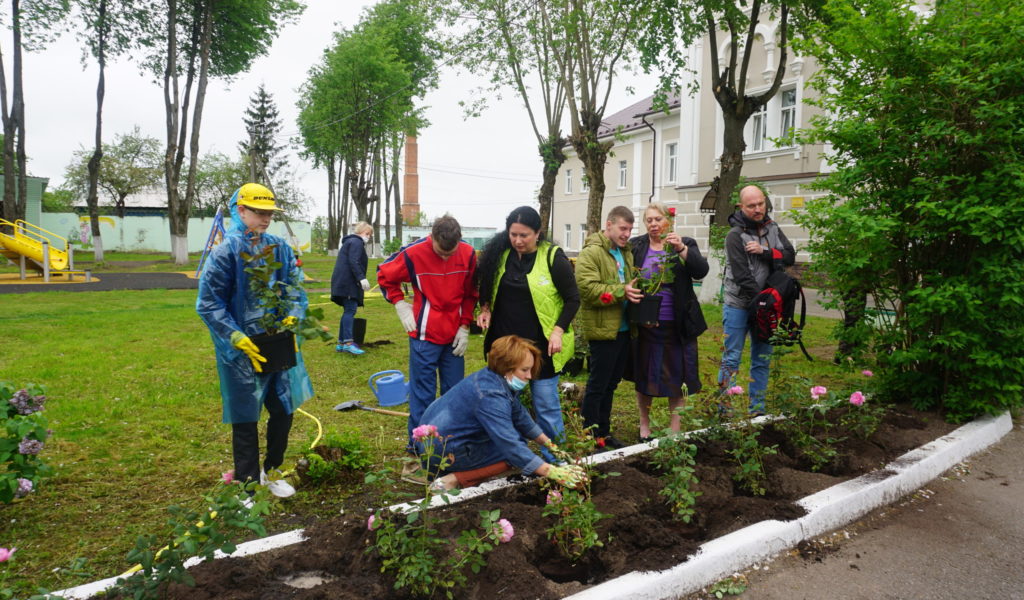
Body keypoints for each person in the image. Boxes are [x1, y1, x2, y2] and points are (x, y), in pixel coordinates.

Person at [196, 183, 313, 499]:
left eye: (270, 213)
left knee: (283, 408)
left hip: (277, 342)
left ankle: (271, 470)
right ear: (241, 210)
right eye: (259, 212)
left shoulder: (279, 248)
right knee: (246, 416)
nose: (265, 219)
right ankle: (247, 485)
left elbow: (295, 289)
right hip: (241, 350)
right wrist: (234, 335)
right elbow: (208, 302)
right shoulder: (225, 254)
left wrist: (293, 314)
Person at [414, 335, 587, 492]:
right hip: (442, 449)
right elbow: (511, 445)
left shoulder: (492, 377)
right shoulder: (490, 396)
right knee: (516, 452)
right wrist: (553, 472)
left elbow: (520, 416)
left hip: (438, 439)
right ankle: (454, 479)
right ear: (507, 368)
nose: (530, 376)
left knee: (519, 442)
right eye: (524, 370)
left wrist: (550, 445)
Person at [475, 206, 580, 462]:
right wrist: (485, 308)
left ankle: (555, 461)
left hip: (541, 349)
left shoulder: (553, 258)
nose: (518, 241)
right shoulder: (501, 256)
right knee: (504, 405)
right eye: (514, 234)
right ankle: (511, 457)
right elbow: (487, 285)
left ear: (538, 233)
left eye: (524, 235)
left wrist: (557, 331)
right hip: (507, 349)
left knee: (547, 406)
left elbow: (573, 299)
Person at [377, 214, 479, 458]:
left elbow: (470, 292)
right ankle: (418, 448)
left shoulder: (468, 254)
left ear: (460, 241)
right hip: (424, 333)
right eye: (440, 252)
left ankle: (450, 444)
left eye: (449, 253)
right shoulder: (413, 253)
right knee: (423, 393)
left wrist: (465, 326)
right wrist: (399, 303)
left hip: (454, 334)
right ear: (431, 237)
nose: (445, 257)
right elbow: (384, 275)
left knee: (454, 392)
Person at [627, 203, 709, 440]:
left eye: (658, 219)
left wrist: (681, 248)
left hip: (678, 324)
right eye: (649, 220)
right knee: (645, 377)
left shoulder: (683, 243)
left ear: (668, 221)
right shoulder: (637, 246)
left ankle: (675, 429)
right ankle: (645, 425)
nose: (653, 224)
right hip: (647, 324)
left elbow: (701, 270)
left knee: (678, 377)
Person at [717, 184, 796, 414]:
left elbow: (789, 256)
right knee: (731, 359)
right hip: (739, 305)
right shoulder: (735, 236)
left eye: (761, 203)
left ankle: (757, 410)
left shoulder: (772, 228)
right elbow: (742, 276)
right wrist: (763, 302)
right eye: (752, 206)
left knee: (762, 358)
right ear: (741, 207)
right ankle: (724, 411)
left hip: (765, 306)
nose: (758, 209)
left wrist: (766, 252)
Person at [574, 206, 642, 449]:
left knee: (612, 383)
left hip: (623, 328)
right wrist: (621, 291)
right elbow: (588, 290)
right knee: (598, 385)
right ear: (609, 224)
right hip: (603, 330)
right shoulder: (591, 253)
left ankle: (604, 433)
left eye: (630, 229)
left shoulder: (625, 252)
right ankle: (589, 435)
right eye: (623, 228)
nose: (627, 233)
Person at [330, 221, 373, 355]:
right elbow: (354, 261)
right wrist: (361, 277)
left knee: (347, 311)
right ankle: (348, 343)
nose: (369, 237)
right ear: (360, 232)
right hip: (348, 283)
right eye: (367, 234)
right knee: (350, 310)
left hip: (342, 282)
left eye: (370, 235)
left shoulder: (350, 242)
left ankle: (342, 343)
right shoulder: (356, 242)